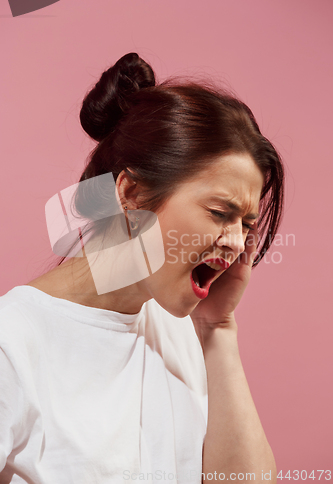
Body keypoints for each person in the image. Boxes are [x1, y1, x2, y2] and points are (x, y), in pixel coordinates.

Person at [0, 53, 284, 484]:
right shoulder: (13, 344)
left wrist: (219, 329)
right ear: (131, 191)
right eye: (220, 212)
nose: (237, 242)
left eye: (246, 225)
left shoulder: (180, 331)